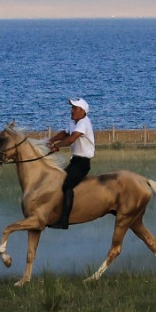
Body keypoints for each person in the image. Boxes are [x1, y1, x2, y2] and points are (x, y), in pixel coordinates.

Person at [44, 97, 95, 228]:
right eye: (72, 108)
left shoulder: (84, 122)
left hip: (82, 163)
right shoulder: (74, 122)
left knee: (66, 185)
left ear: (83, 111)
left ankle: (64, 220)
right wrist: (51, 140)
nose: (71, 111)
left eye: (75, 108)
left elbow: (71, 139)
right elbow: (65, 133)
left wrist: (56, 146)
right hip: (75, 161)